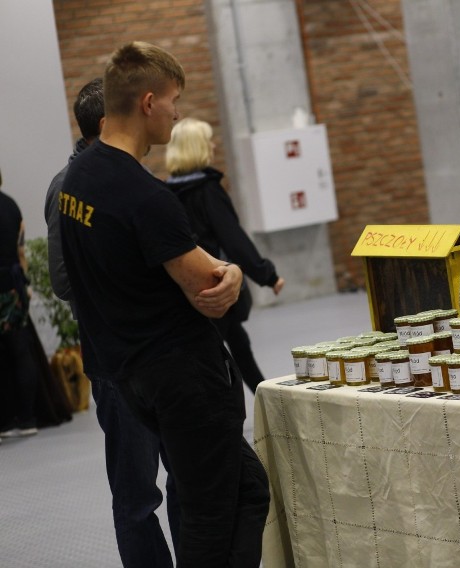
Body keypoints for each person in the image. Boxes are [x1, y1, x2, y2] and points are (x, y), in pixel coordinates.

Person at [59, 42, 269, 566]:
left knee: (248, 488)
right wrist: (237, 273)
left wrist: (227, 270)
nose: (179, 112)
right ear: (149, 102)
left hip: (132, 373)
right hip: (183, 382)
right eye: (175, 100)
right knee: (209, 515)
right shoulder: (146, 196)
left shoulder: (77, 179)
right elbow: (213, 292)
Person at [45, 77, 180, 567]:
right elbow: (63, 281)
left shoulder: (130, 177)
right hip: (117, 365)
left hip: (161, 358)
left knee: (185, 479)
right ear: (107, 123)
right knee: (136, 496)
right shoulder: (69, 187)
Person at [165, 118, 285, 393]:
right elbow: (234, 239)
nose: (214, 145)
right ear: (196, 147)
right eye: (208, 141)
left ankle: (268, 401)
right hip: (216, 286)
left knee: (237, 343)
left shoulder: (167, 193)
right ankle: (250, 406)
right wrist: (268, 275)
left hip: (188, 290)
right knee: (217, 355)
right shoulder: (207, 190)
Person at [0, 168, 39, 439]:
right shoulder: (11, 206)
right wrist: (24, 285)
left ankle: (3, 422)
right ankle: (27, 418)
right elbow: (20, 251)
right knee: (20, 350)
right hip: (12, 287)